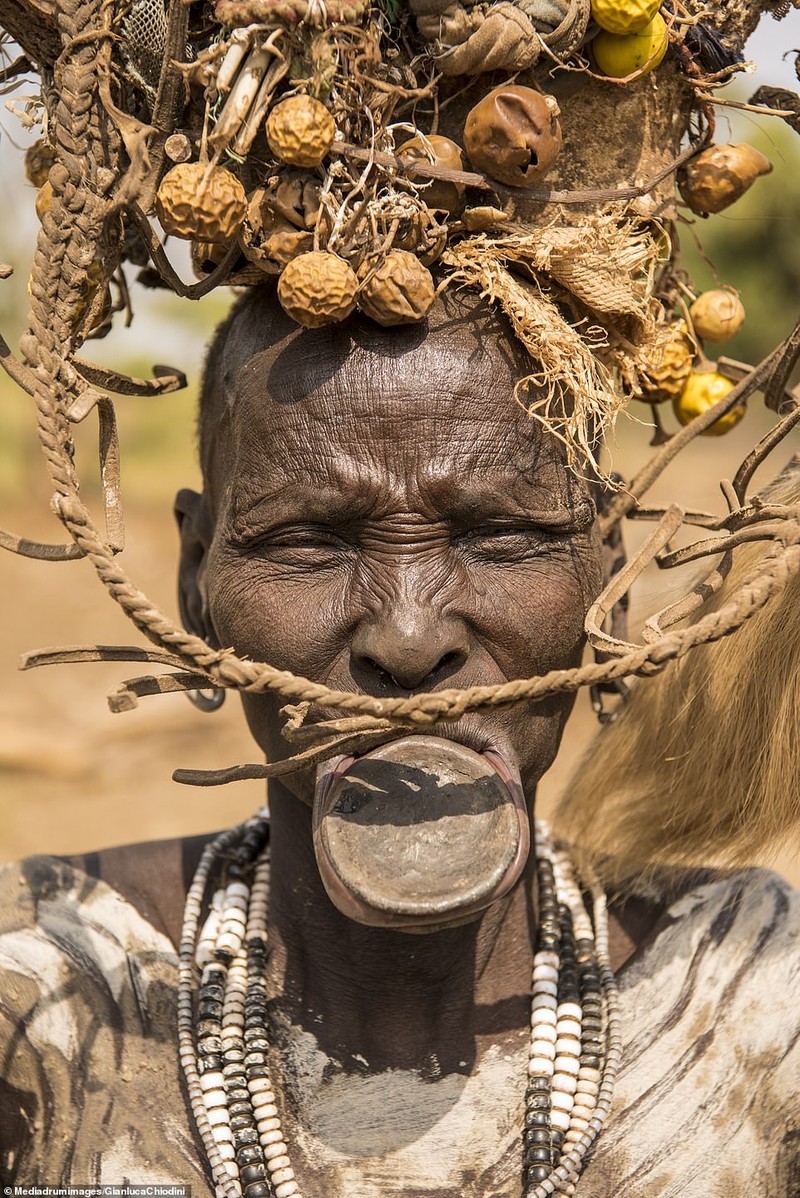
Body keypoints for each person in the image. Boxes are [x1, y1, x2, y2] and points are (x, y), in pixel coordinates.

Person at [1, 290, 798, 1197]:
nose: (410, 640)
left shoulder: (753, 989)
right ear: (196, 580)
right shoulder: (40, 985)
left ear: (606, 579)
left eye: (500, 537)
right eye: (310, 542)